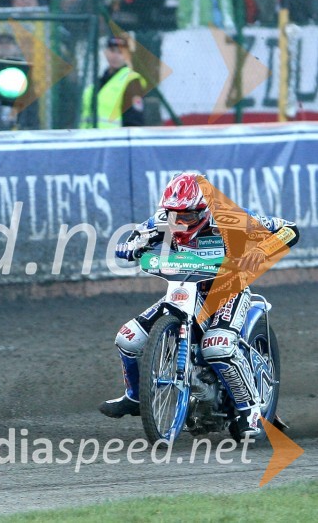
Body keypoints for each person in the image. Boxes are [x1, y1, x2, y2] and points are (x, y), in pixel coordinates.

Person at [100, 172, 299, 437]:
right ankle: (136, 397)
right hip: (183, 290)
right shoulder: (162, 219)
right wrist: (133, 247)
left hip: (228, 292)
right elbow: (130, 242)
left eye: (188, 216)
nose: (180, 222)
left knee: (217, 347)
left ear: (205, 210)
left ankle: (250, 412)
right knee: (127, 338)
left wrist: (261, 251)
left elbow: (289, 230)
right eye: (174, 215)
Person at [80, 35, 146, 129]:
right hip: (89, 139)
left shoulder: (131, 81)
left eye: (120, 52)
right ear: (106, 52)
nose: (115, 56)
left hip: (114, 141)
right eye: (112, 50)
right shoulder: (99, 81)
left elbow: (134, 121)